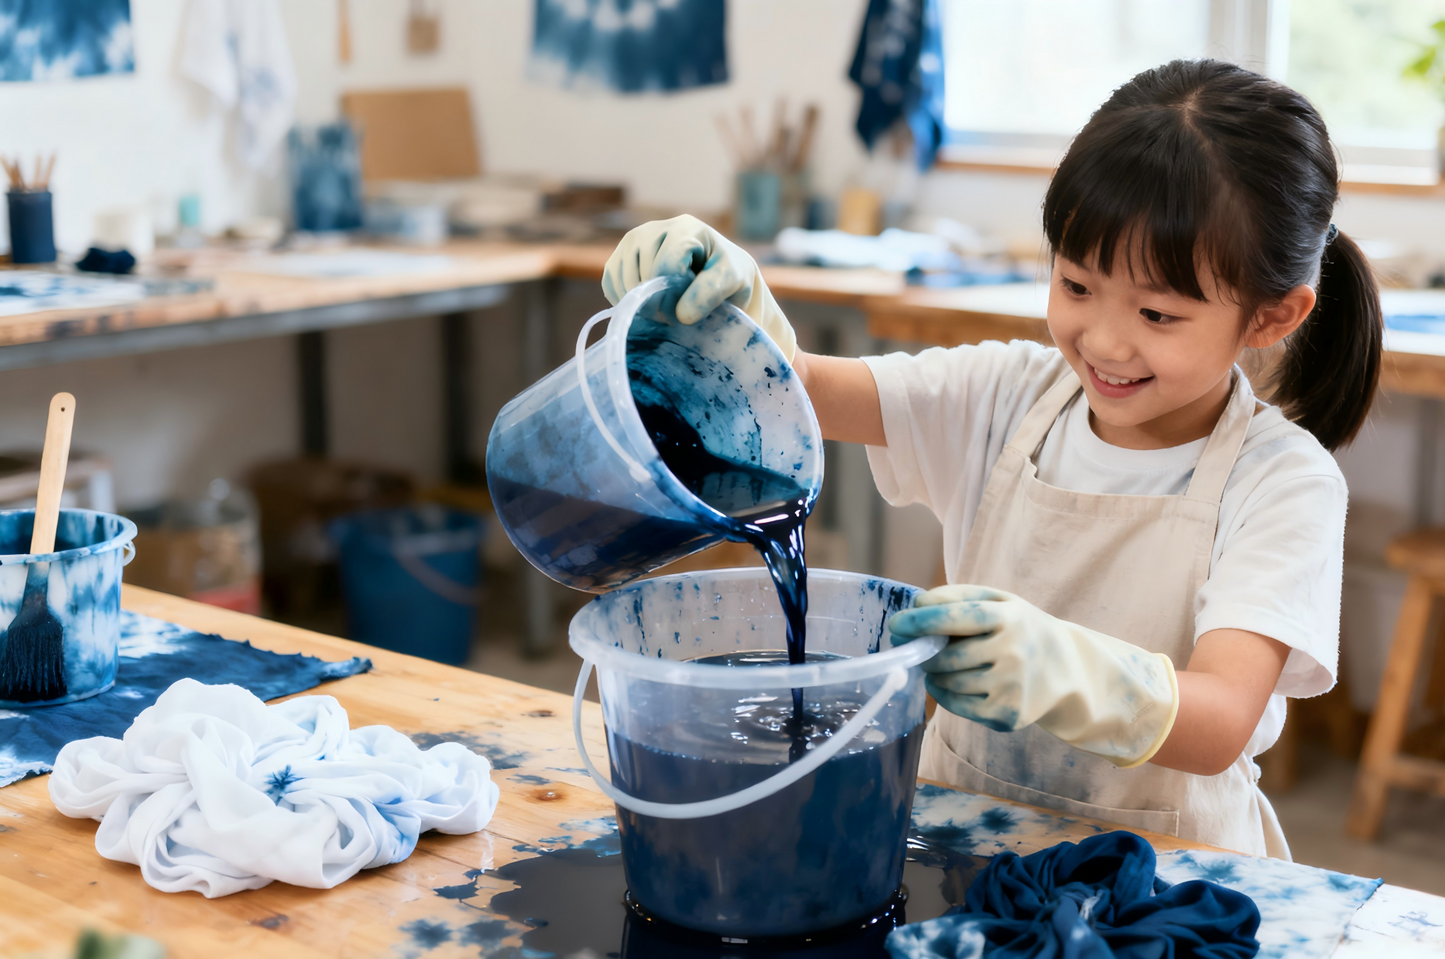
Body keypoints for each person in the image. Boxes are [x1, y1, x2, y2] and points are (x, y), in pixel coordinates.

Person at [598, 59, 1381, 858]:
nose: (1104, 341)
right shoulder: (1001, 394)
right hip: (958, 840)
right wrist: (724, 304)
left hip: (1164, 878)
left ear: (1270, 315)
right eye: (1075, 285)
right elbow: (797, 392)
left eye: (1155, 312)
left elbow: (1220, 719)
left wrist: (1063, 670)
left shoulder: (1282, 482)